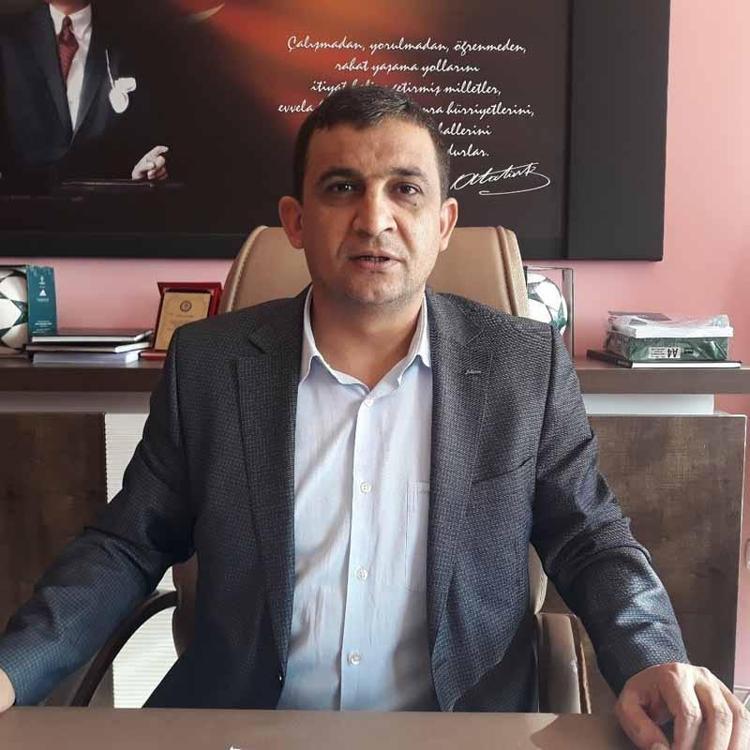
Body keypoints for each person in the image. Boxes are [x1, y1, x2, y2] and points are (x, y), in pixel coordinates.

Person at [0, 85, 747, 749]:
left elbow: (589, 538)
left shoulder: (522, 367)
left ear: (444, 223)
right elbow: (126, 545)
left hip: (459, 735)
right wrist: (10, 671)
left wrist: (653, 656)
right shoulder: (211, 366)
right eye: (342, 187)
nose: (374, 218)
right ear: (296, 221)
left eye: (405, 190)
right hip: (243, 728)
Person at [0, 0, 168, 190]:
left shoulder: (133, 38)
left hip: (106, 198)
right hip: (20, 199)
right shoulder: (8, 36)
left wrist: (143, 171)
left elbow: (146, 131)